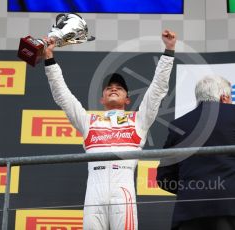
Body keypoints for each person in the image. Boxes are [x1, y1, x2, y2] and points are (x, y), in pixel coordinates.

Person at [43, 30, 176, 230]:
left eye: (119, 88)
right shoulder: (88, 121)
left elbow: (157, 90)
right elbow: (63, 96)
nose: (113, 89)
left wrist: (169, 51)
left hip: (123, 190)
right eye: (108, 88)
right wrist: (49, 59)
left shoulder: (138, 120)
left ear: (127, 99)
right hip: (93, 193)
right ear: (102, 99)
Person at [156, 76, 235, 230]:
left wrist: (192, 188)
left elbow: (164, 177)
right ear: (224, 97)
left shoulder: (178, 124)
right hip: (234, 209)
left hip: (189, 213)